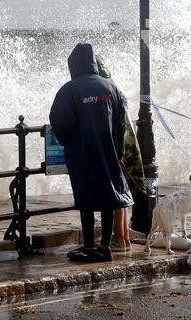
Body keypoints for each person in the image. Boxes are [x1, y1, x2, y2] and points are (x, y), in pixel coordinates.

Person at [49, 43, 133, 262]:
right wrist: (119, 151)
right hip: (109, 153)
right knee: (108, 197)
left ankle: (88, 247)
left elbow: (58, 121)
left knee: (86, 199)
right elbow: (121, 123)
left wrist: (69, 141)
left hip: (82, 153)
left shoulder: (69, 89)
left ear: (73, 64)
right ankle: (105, 247)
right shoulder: (111, 87)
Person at [95, 56, 146, 252]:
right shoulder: (115, 88)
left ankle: (118, 238)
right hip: (128, 147)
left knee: (115, 196)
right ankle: (123, 238)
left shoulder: (104, 90)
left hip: (119, 149)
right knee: (121, 194)